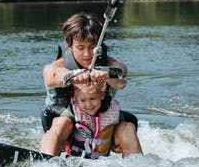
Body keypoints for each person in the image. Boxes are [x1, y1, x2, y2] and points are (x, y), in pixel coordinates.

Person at [40, 12, 142, 157]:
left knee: (127, 128)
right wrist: (72, 76)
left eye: (92, 47)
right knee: (62, 123)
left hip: (103, 133)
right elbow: (52, 76)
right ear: (70, 45)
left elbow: (121, 77)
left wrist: (108, 75)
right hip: (68, 133)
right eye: (80, 48)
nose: (87, 54)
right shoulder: (57, 66)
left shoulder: (109, 64)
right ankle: (46, 165)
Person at [61, 82, 120, 159]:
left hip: (102, 160)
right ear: (75, 99)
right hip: (75, 158)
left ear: (102, 95)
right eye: (83, 100)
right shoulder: (73, 112)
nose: (89, 104)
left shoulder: (112, 111)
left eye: (92, 99)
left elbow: (131, 120)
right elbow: (53, 121)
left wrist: (114, 145)